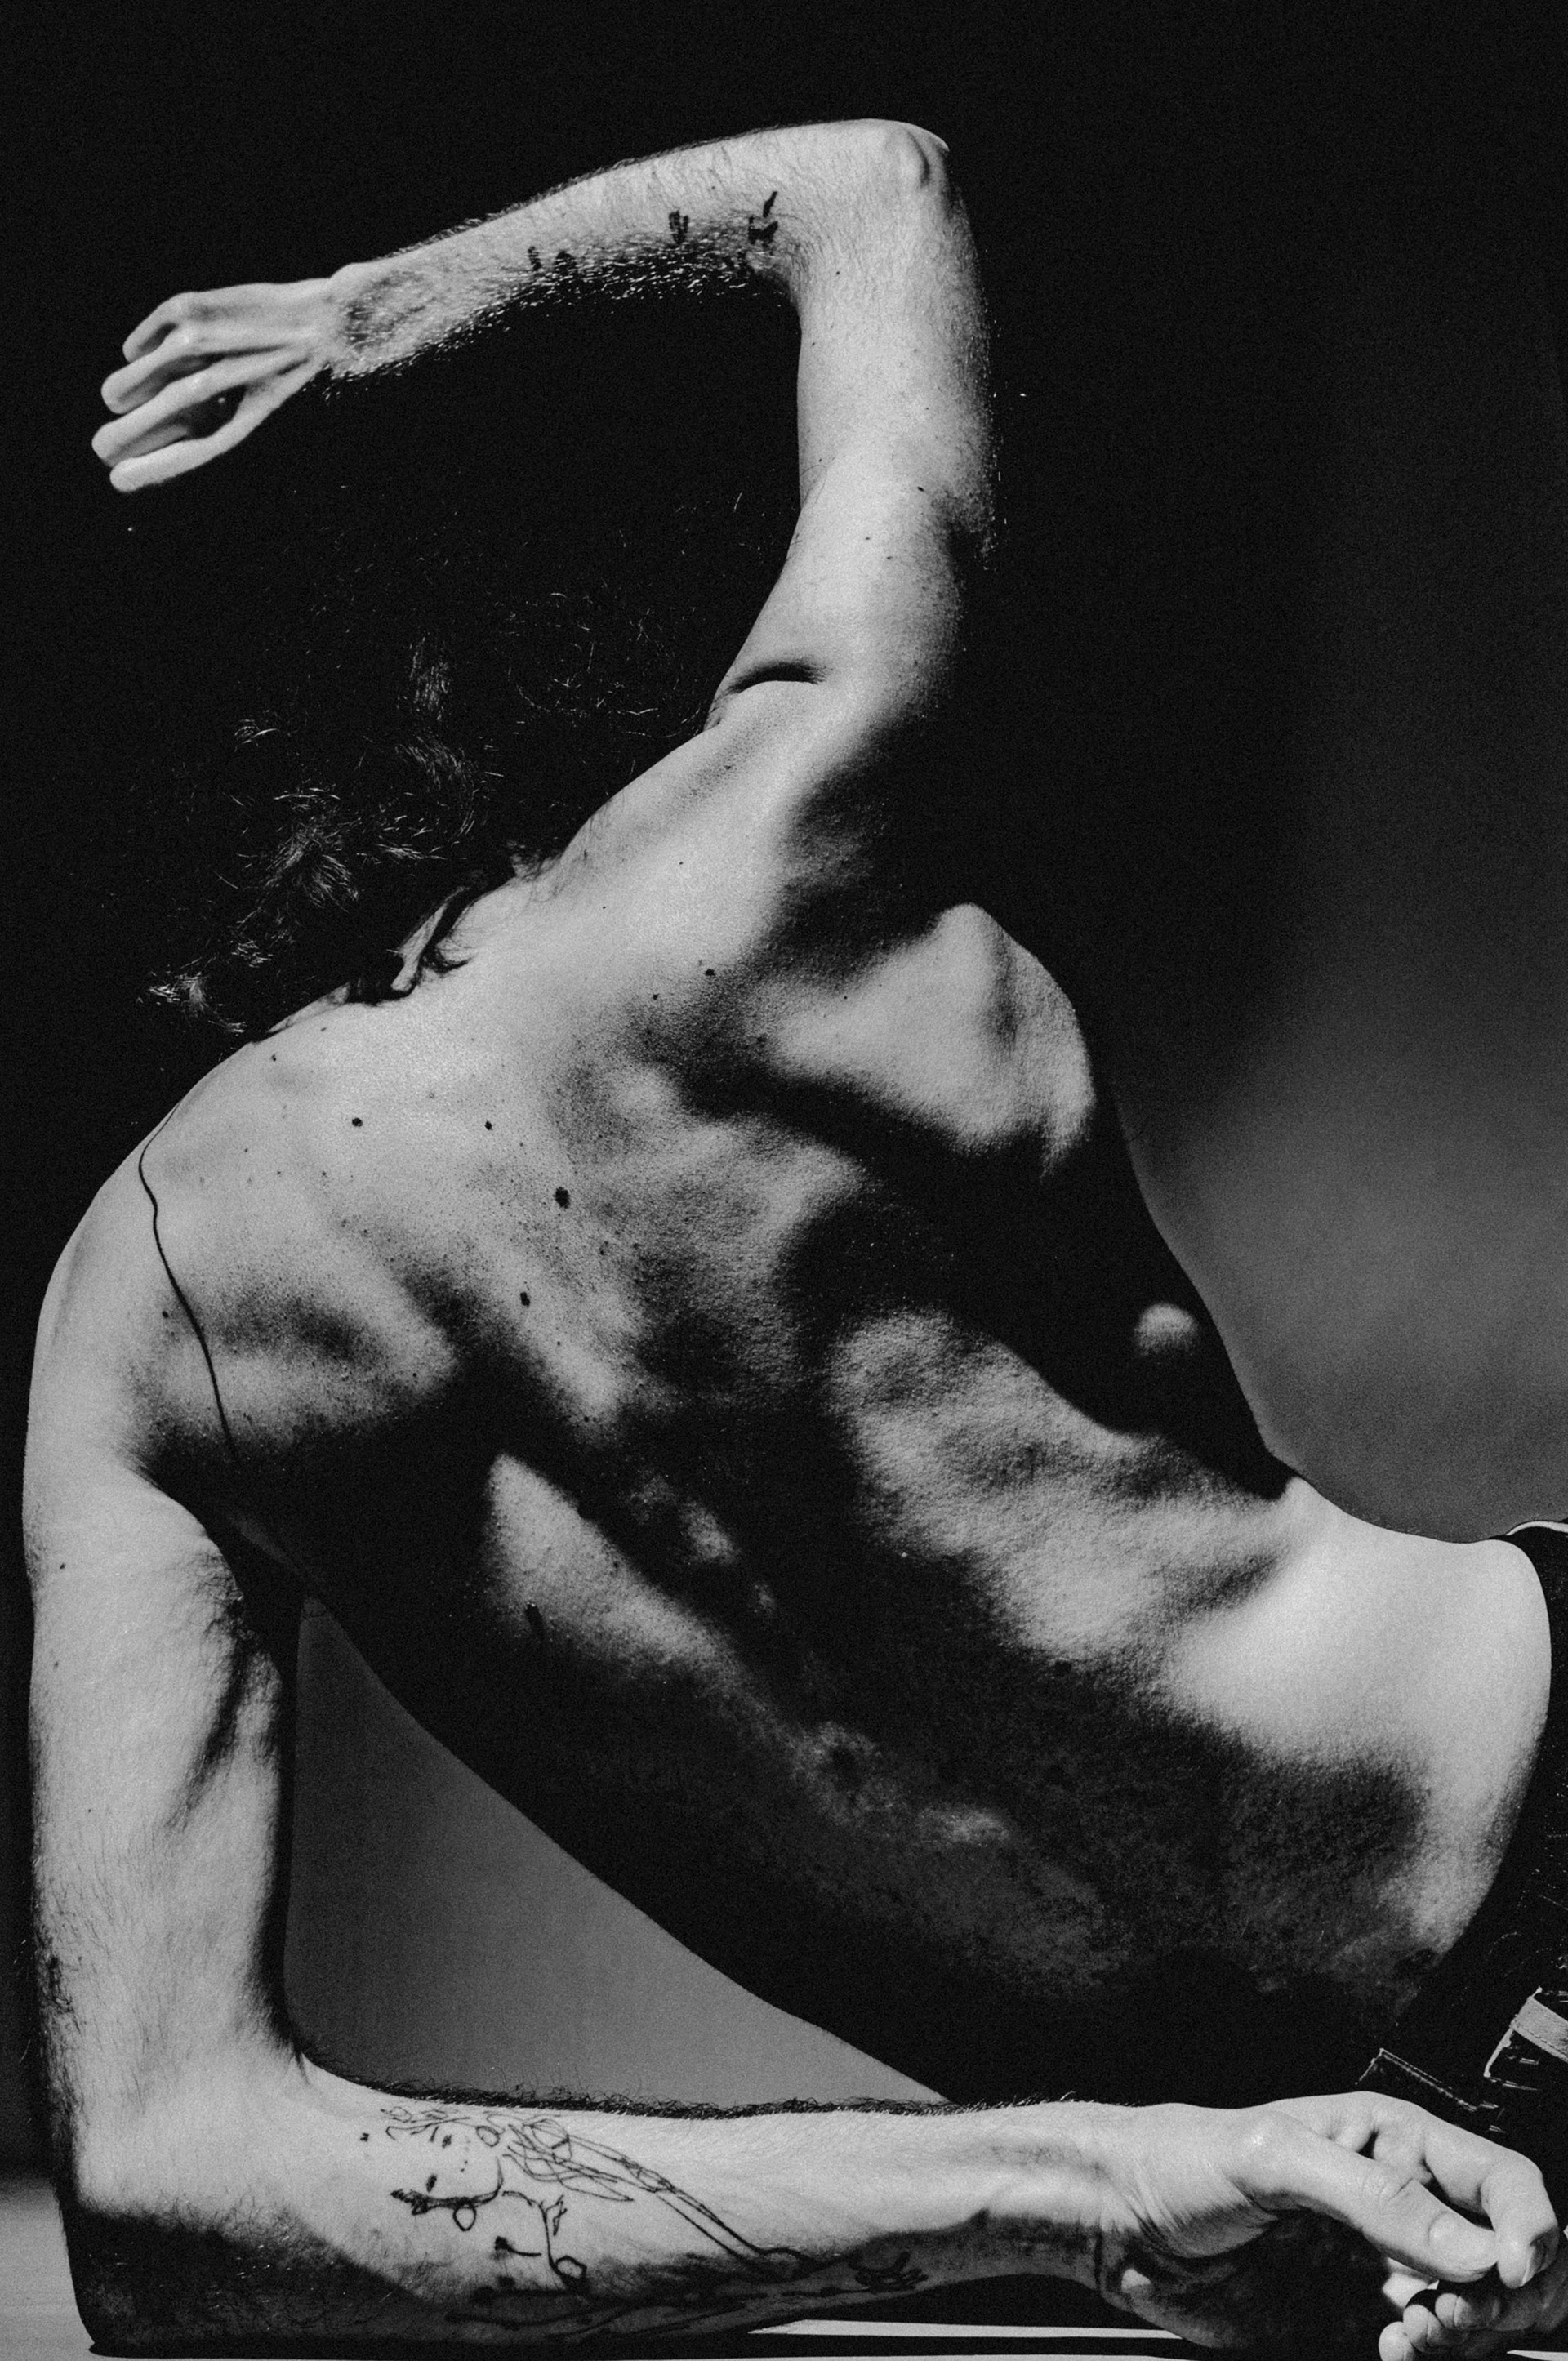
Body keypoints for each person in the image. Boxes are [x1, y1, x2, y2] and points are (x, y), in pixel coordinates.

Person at [31, 118, 1568, 2356]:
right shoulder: (776, 821)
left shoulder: (135, 1327)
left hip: (1292, 2171)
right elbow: (873, 187)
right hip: (1401, 2034)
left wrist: (1069, 2178)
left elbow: (171, 2192)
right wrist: (377, 318)